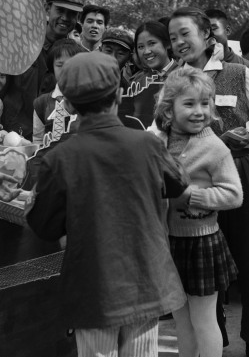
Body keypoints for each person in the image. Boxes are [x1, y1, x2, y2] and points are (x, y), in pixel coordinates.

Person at [27, 51, 190, 357]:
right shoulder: (148, 144)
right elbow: (179, 184)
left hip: (94, 290)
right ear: (117, 94)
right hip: (147, 282)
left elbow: (45, 226)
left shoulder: (59, 158)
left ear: (70, 104)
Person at [168, 7, 249, 357]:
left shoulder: (237, 71)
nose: (178, 42)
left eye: (184, 33)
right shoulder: (174, 78)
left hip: (243, 173)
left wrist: (245, 135)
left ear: (206, 34)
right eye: (172, 37)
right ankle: (214, 340)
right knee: (205, 268)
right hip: (197, 180)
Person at [149, 68, 243, 357]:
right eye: (189, 104)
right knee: (181, 321)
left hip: (202, 243)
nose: (199, 111)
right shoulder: (157, 143)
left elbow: (233, 194)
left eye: (205, 103)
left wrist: (192, 196)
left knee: (204, 320)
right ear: (169, 108)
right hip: (169, 243)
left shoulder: (214, 148)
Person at [5, 0, 84, 138]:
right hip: (12, 137)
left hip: (53, 142)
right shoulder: (18, 44)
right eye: (60, 10)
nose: (65, 18)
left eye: (72, 14)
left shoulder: (80, 58)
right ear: (47, 9)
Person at [32, 39, 87, 144]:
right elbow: (38, 140)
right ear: (52, 67)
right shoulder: (41, 103)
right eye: (60, 65)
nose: (66, 69)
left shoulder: (89, 101)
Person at [131, 21, 180, 128]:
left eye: (152, 43)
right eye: (140, 47)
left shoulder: (184, 76)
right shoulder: (137, 81)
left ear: (167, 44)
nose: (146, 51)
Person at [101, 28, 134, 93]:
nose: (113, 58)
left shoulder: (128, 92)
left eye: (120, 53)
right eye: (108, 51)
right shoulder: (84, 81)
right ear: (100, 50)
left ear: (129, 58)